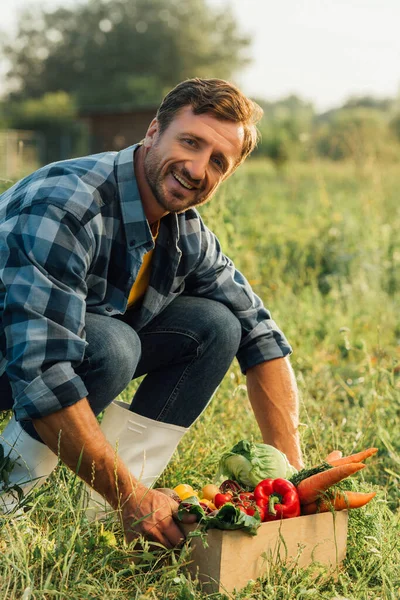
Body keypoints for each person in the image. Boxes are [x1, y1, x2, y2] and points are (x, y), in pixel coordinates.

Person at [0, 78, 303, 548]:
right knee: (112, 345)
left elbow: (259, 334)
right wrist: (132, 497)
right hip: (18, 355)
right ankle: (10, 489)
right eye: (191, 142)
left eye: (217, 161)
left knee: (218, 326)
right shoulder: (67, 203)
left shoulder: (184, 231)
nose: (198, 168)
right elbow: (41, 367)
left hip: (44, 357)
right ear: (153, 132)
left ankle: (104, 511)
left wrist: (292, 474)